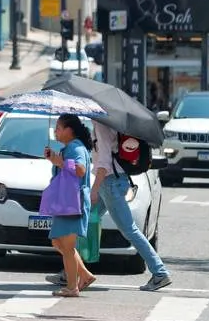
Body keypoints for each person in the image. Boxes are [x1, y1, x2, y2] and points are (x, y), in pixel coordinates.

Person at [48, 122, 172, 293]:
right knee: (80, 223)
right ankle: (74, 273)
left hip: (109, 183)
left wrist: (95, 189)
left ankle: (160, 272)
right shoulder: (102, 125)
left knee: (129, 229)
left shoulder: (102, 127)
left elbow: (104, 162)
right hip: (110, 182)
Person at [43, 114, 95, 297]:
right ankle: (85, 275)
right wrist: (55, 160)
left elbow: (80, 170)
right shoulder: (69, 148)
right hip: (66, 202)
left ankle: (72, 287)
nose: (55, 131)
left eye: (58, 127)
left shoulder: (75, 148)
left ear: (69, 130)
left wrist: (59, 162)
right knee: (58, 242)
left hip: (73, 202)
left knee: (67, 246)